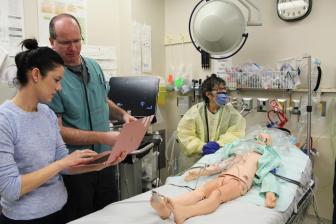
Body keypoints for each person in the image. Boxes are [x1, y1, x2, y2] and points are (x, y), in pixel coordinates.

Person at [0, 39, 123, 224]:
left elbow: (65, 165)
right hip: (26, 218)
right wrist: (60, 164)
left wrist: (100, 164)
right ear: (35, 75)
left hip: (61, 211)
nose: (59, 87)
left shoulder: (47, 114)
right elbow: (10, 189)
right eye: (56, 80)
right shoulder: (5, 120)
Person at [47, 14, 136, 221]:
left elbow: (103, 100)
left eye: (77, 41)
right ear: (52, 42)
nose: (73, 48)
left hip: (106, 161)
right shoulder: (52, 78)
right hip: (76, 168)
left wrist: (123, 115)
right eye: (65, 42)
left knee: (110, 215)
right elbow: (57, 131)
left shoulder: (93, 67)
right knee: (83, 218)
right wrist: (102, 137)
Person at [150, 133, 280, 224]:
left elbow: (268, 176)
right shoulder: (241, 153)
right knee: (201, 191)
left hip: (239, 182)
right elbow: (221, 166)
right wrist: (200, 173)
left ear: (268, 147)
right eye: (259, 136)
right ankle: (168, 206)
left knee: (217, 194)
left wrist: (270, 193)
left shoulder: (263, 159)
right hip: (224, 176)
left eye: (264, 139)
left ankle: (185, 213)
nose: (260, 138)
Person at [177, 74, 246, 169]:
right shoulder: (195, 112)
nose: (223, 93)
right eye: (219, 90)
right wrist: (201, 147)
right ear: (208, 94)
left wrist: (220, 144)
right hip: (196, 163)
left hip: (222, 161)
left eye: (224, 89)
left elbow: (237, 133)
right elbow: (185, 135)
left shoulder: (231, 112)